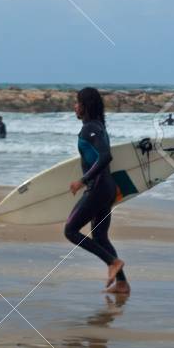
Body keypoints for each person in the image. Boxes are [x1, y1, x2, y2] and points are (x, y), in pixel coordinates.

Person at [65, 87, 128, 293]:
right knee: (100, 236)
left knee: (71, 231)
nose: (74, 106)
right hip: (107, 188)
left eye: (77, 103)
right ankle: (121, 283)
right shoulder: (98, 126)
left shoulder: (90, 129)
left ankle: (112, 263)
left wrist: (82, 180)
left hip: (98, 188)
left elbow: (105, 156)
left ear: (85, 106)